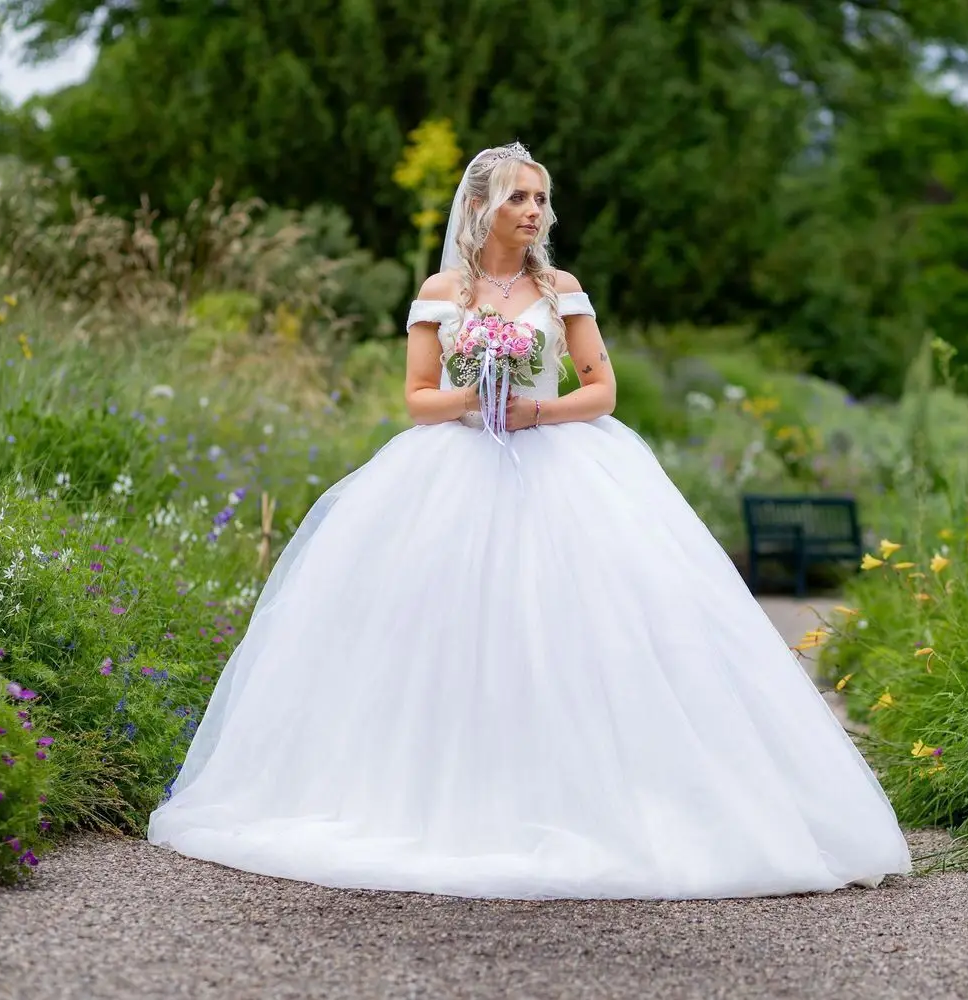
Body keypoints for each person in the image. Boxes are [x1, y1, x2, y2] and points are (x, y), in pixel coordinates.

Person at [147, 142, 912, 899]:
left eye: (541, 199)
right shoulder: (442, 290)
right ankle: (433, 796)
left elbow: (601, 388)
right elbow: (416, 398)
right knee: (441, 634)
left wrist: (534, 409)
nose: (534, 212)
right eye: (518, 198)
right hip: (451, 470)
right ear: (479, 206)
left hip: (559, 462)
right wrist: (476, 399)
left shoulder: (560, 287)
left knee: (578, 627)